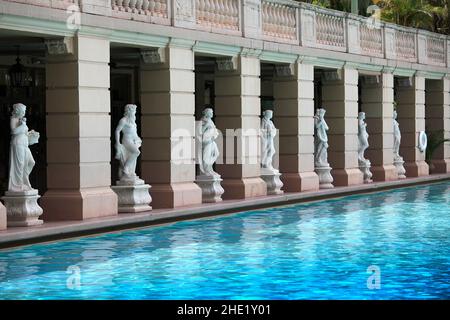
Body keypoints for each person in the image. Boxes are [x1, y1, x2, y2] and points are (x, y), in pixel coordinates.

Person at [8, 103, 39, 192]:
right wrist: (22, 125)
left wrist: (30, 134)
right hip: (18, 144)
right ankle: (19, 184)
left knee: (31, 162)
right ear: (19, 110)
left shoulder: (21, 120)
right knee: (20, 165)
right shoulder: (14, 119)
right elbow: (14, 132)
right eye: (24, 111)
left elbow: (23, 133)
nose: (24, 112)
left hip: (24, 144)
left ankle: (24, 181)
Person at [115, 104, 142, 181]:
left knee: (135, 157)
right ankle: (126, 168)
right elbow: (117, 131)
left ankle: (131, 171)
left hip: (133, 141)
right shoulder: (123, 120)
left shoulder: (133, 121)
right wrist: (117, 142)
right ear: (129, 111)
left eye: (135, 111)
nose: (134, 113)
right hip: (127, 140)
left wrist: (138, 139)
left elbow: (135, 133)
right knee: (136, 152)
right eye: (134, 111)